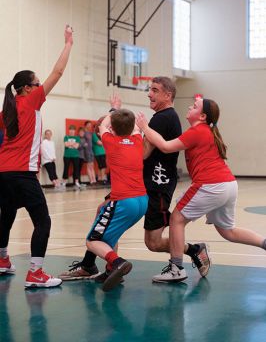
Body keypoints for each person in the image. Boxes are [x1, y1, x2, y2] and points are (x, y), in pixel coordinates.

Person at [59, 80, 210, 281]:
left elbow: (142, 153)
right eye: (149, 89)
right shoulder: (159, 118)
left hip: (156, 185)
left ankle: (194, 249)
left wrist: (114, 137)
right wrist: (118, 122)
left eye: (155, 90)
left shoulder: (163, 119)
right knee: (105, 211)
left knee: (153, 243)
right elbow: (136, 139)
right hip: (139, 183)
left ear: (168, 95)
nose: (149, 94)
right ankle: (97, 265)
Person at [136, 98, 266, 283]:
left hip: (210, 184)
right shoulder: (208, 132)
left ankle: (176, 269)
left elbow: (165, 147)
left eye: (195, 107)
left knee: (176, 219)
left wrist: (144, 127)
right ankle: (264, 243)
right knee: (228, 231)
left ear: (203, 116)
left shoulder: (197, 131)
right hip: (229, 184)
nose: (190, 107)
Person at [0, 25, 73, 288]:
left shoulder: (6, 111)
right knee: (42, 221)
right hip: (22, 173)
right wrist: (68, 44)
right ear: (27, 89)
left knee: (6, 217)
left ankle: (3, 260)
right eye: (37, 84)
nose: (41, 86)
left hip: (3, 174)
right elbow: (59, 71)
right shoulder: (30, 102)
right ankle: (35, 273)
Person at [86, 109, 148, 291]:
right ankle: (110, 270)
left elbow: (103, 125)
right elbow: (134, 127)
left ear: (112, 127)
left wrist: (113, 111)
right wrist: (119, 112)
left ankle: (117, 262)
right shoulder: (137, 140)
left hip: (124, 201)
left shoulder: (110, 142)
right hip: (142, 201)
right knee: (111, 235)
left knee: (92, 241)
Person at [62, 125, 81, 190]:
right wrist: (73, 143)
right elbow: (66, 145)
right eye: (70, 130)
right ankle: (64, 182)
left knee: (76, 169)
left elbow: (76, 147)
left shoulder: (77, 138)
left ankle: (76, 182)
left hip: (75, 156)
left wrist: (70, 143)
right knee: (66, 168)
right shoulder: (66, 137)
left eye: (73, 130)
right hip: (67, 155)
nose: (72, 131)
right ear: (69, 130)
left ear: (74, 131)